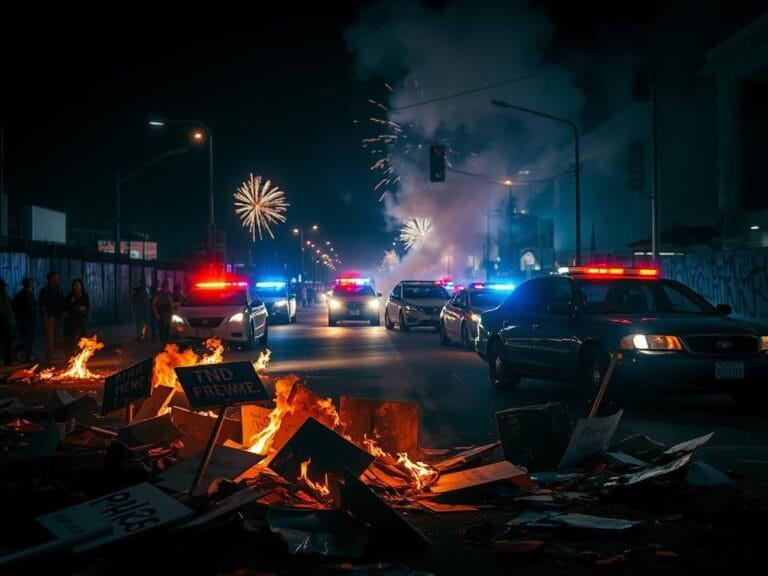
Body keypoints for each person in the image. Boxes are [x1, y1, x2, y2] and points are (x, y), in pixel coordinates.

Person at [39, 271, 65, 363]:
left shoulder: (58, 289)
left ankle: (53, 354)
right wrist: (45, 314)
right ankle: (49, 356)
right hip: (50, 316)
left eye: (57, 279)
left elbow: (62, 301)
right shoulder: (45, 290)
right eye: (55, 279)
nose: (56, 280)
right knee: (50, 336)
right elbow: (41, 304)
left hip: (58, 316)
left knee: (56, 336)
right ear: (50, 279)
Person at [12, 277, 37, 362]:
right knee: (27, 339)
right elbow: (16, 307)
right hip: (24, 320)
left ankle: (28, 356)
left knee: (30, 338)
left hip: (30, 320)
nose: (32, 284)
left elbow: (33, 304)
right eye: (30, 282)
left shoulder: (30, 293)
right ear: (26, 284)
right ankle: (18, 353)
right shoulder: (21, 295)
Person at [64, 278, 90, 357]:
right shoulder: (70, 295)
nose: (76, 287)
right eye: (75, 286)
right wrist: (72, 301)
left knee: (81, 338)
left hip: (81, 320)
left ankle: (81, 356)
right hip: (71, 320)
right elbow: (65, 306)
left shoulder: (84, 295)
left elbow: (88, 306)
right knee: (70, 339)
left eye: (78, 285)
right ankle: (69, 356)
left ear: (81, 286)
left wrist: (83, 308)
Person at [0, 279, 18, 365]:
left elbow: (9, 309)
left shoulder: (6, 297)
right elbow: (4, 310)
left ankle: (8, 359)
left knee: (7, 342)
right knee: (5, 342)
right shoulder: (3, 297)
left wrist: (12, 319)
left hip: (6, 322)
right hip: (3, 322)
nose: (4, 288)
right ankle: (7, 359)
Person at [152, 279, 174, 345]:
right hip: (161, 315)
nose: (168, 287)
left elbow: (171, 303)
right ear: (164, 286)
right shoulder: (159, 294)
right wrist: (157, 314)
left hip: (168, 314)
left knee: (168, 329)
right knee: (162, 329)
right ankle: (163, 343)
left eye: (168, 286)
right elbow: (153, 304)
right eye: (167, 286)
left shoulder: (169, 294)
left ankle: (167, 342)